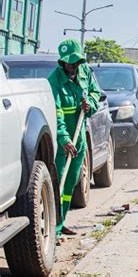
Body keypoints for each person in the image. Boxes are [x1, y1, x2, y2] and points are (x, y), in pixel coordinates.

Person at [48, 39, 101, 236]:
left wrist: (90, 104)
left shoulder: (85, 72)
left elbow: (96, 92)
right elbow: (57, 113)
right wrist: (64, 139)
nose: (74, 66)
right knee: (58, 182)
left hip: (80, 136)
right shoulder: (54, 81)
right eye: (70, 63)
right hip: (62, 141)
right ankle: (53, 230)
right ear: (62, 63)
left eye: (76, 62)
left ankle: (61, 223)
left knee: (71, 182)